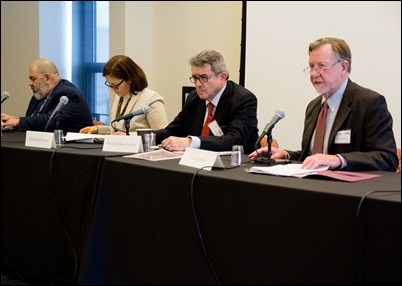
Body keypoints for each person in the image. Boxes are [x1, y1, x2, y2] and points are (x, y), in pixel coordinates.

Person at [249, 37, 398, 171]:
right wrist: (285, 154)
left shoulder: (369, 102)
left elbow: (386, 158)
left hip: (351, 193)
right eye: (312, 66)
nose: (314, 73)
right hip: (314, 188)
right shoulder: (313, 107)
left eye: (322, 65)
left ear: (343, 67)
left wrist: (338, 160)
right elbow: (314, 155)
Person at [154, 49, 259, 154]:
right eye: (195, 78)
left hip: (233, 165)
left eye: (204, 78)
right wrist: (143, 138)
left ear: (222, 77)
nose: (198, 84)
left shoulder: (243, 99)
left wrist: (190, 142)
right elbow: (173, 130)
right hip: (196, 162)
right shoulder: (194, 97)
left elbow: (234, 139)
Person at [79, 55, 168, 135]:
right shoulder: (120, 96)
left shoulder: (152, 99)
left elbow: (162, 134)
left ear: (130, 79)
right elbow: (119, 130)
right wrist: (98, 129)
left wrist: (128, 137)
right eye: (110, 84)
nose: (113, 89)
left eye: (116, 85)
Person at [1, 58, 93, 133]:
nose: (30, 83)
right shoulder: (40, 93)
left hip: (71, 150)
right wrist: (15, 119)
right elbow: (35, 119)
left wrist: (19, 122)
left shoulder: (68, 93)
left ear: (47, 78)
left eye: (33, 79)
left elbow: (50, 121)